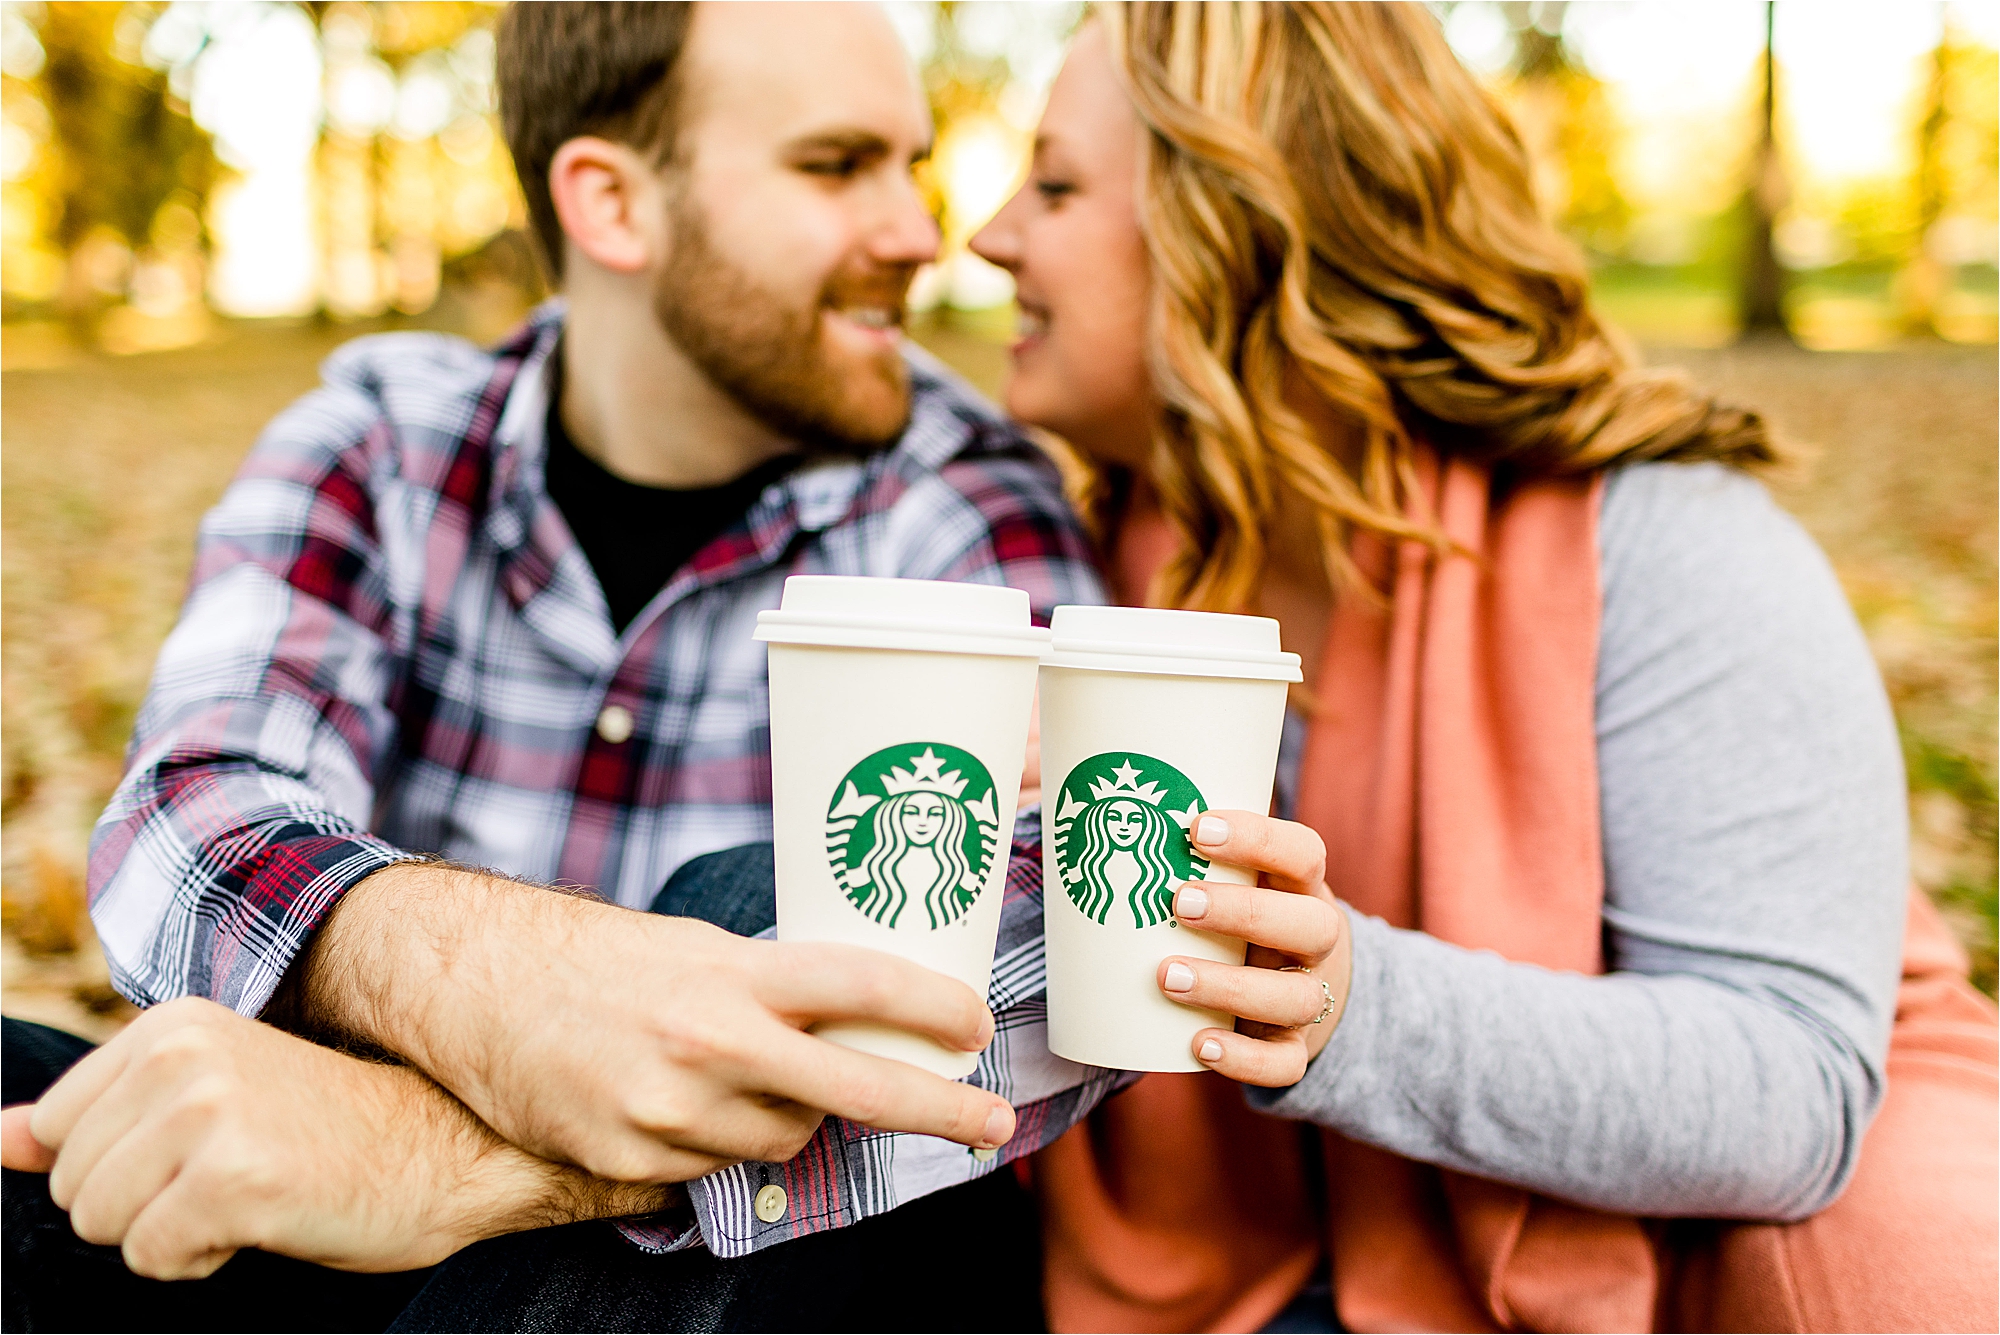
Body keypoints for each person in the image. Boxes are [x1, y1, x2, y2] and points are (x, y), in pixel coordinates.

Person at [2, 4, 1117, 1330]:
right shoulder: (387, 442)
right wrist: (479, 997)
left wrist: (432, 1152)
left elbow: (1076, 930)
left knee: (779, 927)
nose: (920, 232)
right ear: (611, 204)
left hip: (766, 1276)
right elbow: (192, 807)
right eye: (837, 166)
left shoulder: (962, 501)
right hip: (351, 1253)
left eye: (911, 164)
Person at [968, 4, 1998, 1332]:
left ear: (1243, 225)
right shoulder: (1082, 556)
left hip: (1720, 1221)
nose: (990, 233)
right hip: (1268, 1247)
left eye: (1053, 184)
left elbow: (1785, 1077)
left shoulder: (1667, 541)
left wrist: (1347, 1007)